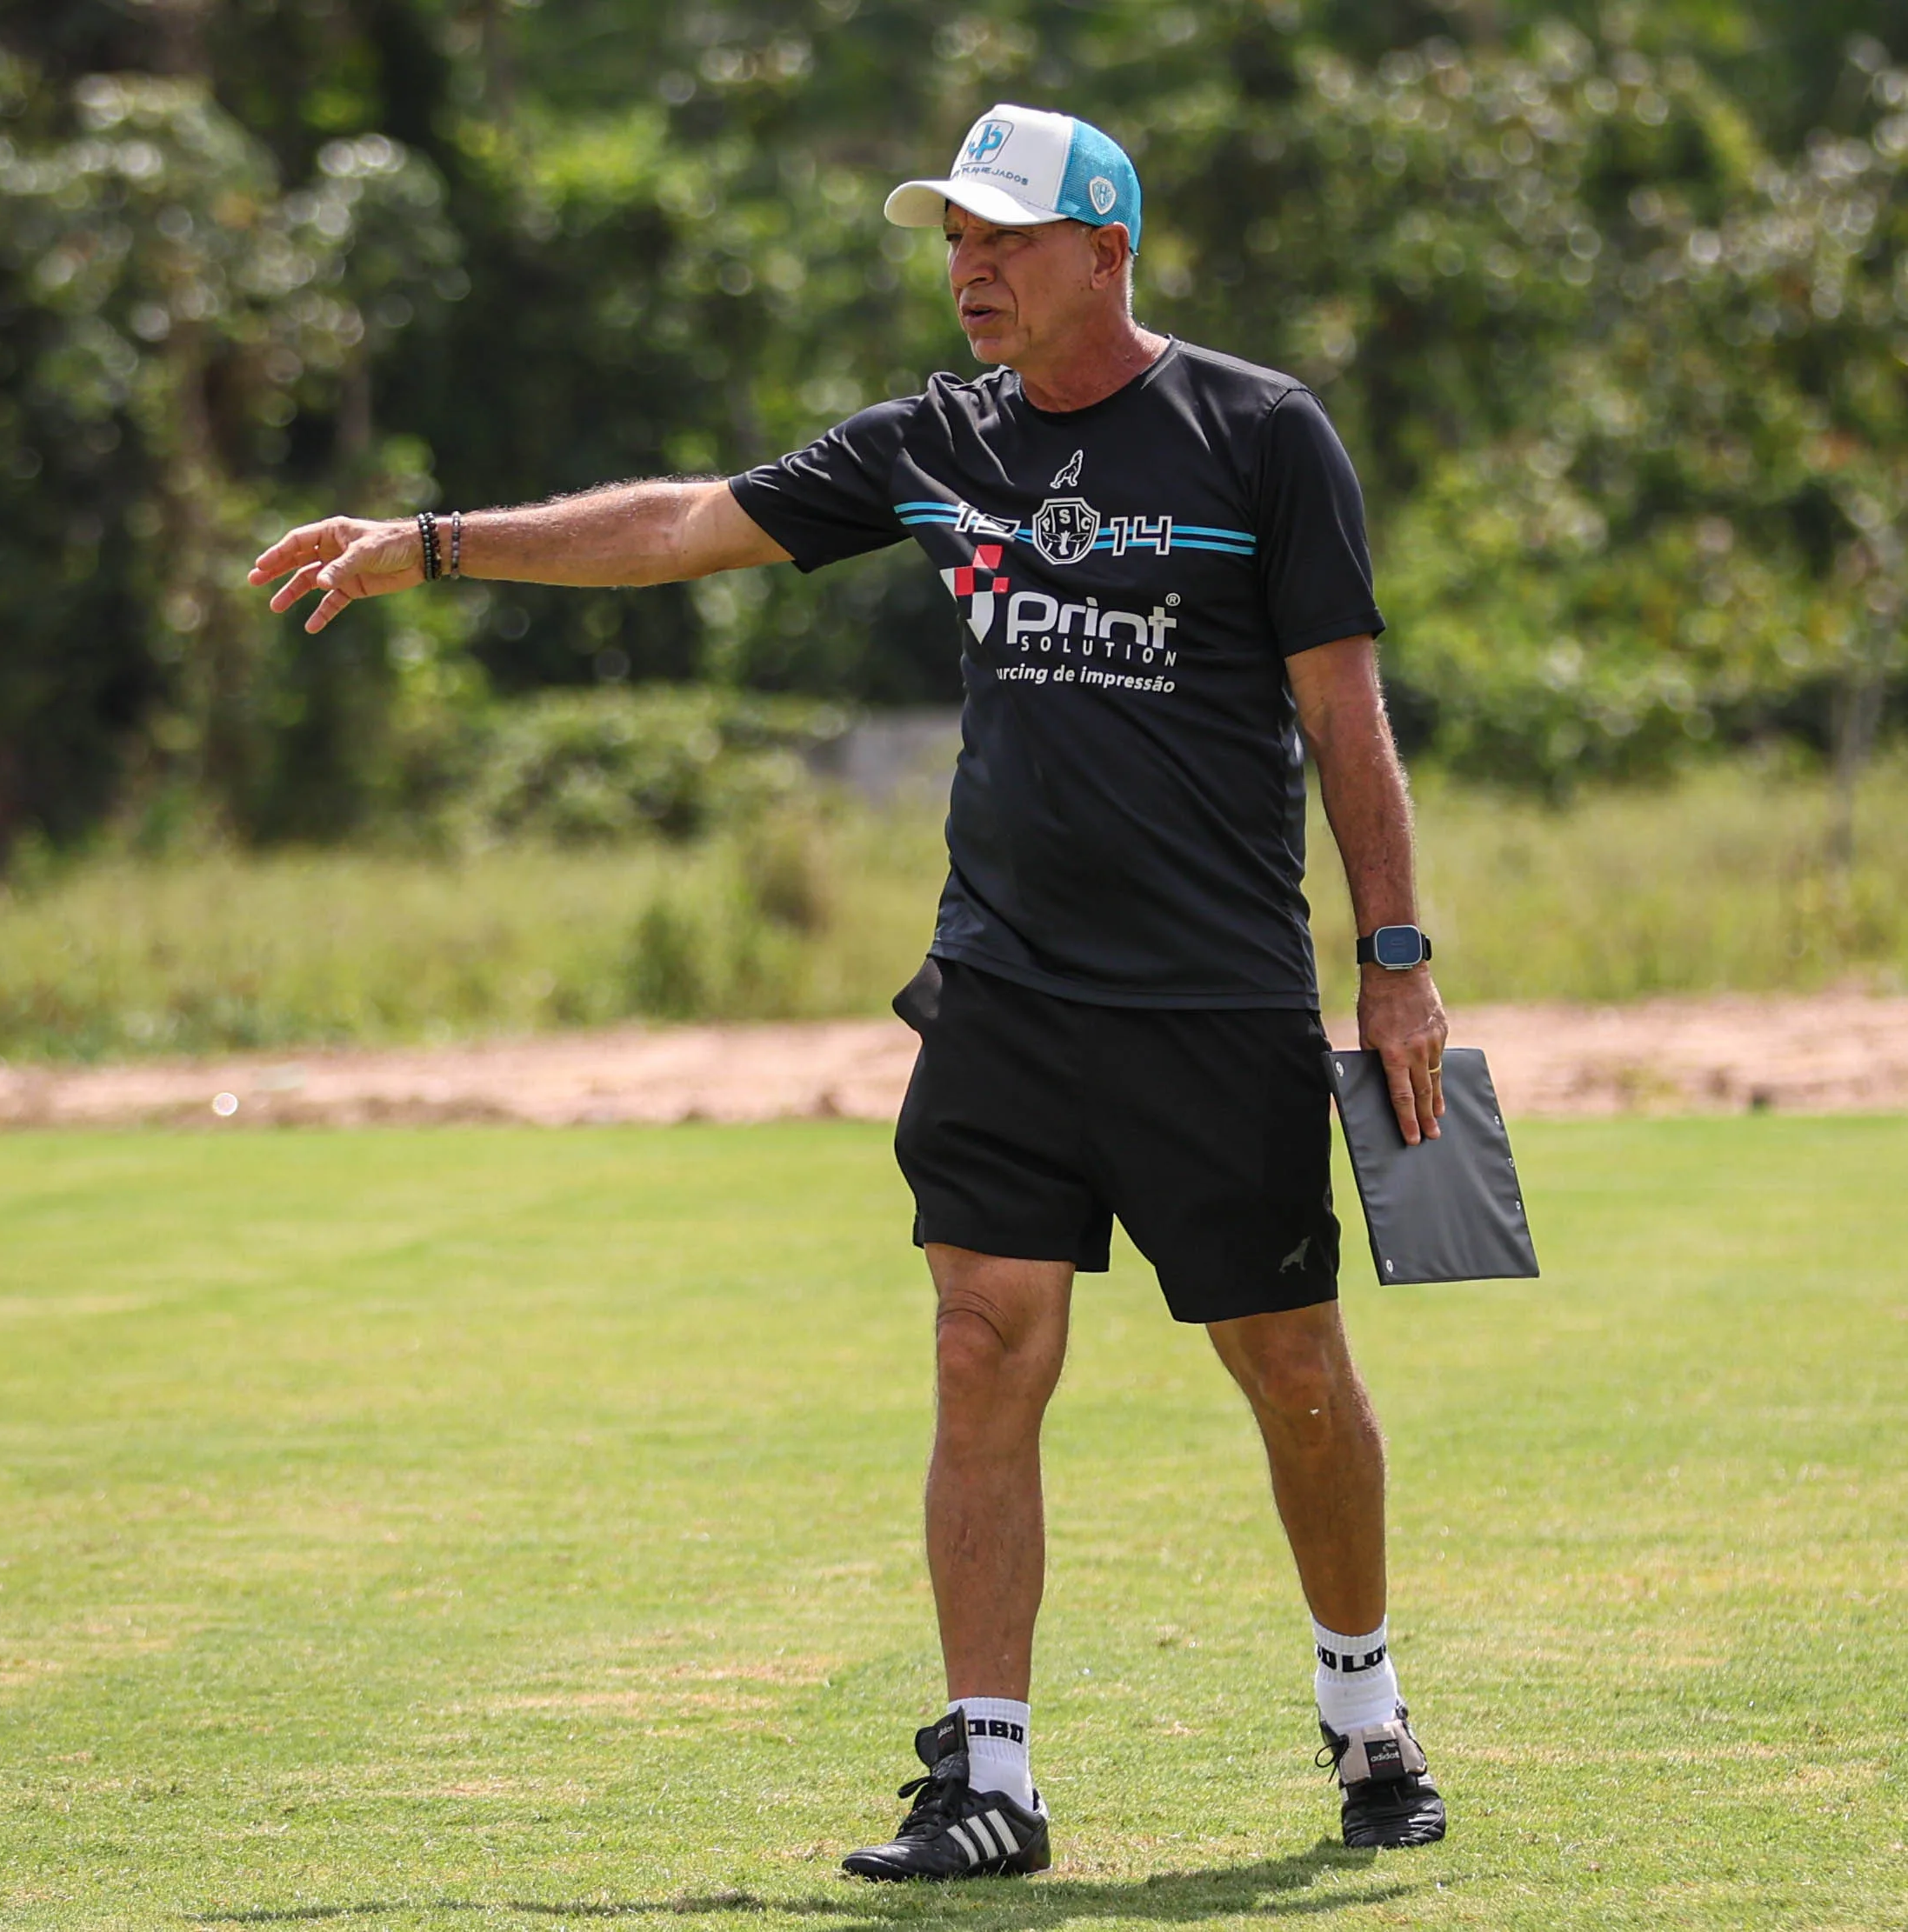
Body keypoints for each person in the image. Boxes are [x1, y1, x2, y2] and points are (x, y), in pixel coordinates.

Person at [251, 101, 1451, 1878]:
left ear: (1104, 250)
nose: (967, 270)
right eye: (951, 240)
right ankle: (990, 1772)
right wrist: (434, 540)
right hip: (1002, 991)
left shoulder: (1258, 435)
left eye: (1003, 239)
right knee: (981, 1341)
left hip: (1211, 1000)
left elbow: (1347, 717)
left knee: (1289, 1372)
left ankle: (1363, 1710)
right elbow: (677, 527)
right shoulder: (934, 443)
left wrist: (1398, 968)